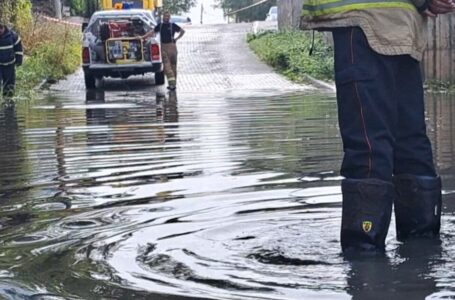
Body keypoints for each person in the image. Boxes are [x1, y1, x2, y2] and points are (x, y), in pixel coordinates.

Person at [301, 0, 454, 253]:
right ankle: (422, 262)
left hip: (365, 19)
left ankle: (364, 265)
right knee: (411, 146)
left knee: (369, 148)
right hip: (403, 26)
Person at [154, 12, 185, 90]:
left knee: (173, 66)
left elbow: (183, 31)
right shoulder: (160, 26)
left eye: (168, 16)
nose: (166, 17)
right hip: (164, 47)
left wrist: (177, 39)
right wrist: (143, 37)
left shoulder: (173, 25)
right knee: (167, 67)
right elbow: (152, 32)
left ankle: (173, 84)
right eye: (165, 16)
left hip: (172, 47)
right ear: (163, 17)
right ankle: (172, 84)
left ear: (169, 17)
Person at [0, 21, 23, 98]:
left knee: (9, 86)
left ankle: (8, 102)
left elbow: (18, 49)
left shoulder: (13, 36)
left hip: (10, 65)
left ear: (4, 27)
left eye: (1, 28)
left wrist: (19, 60)